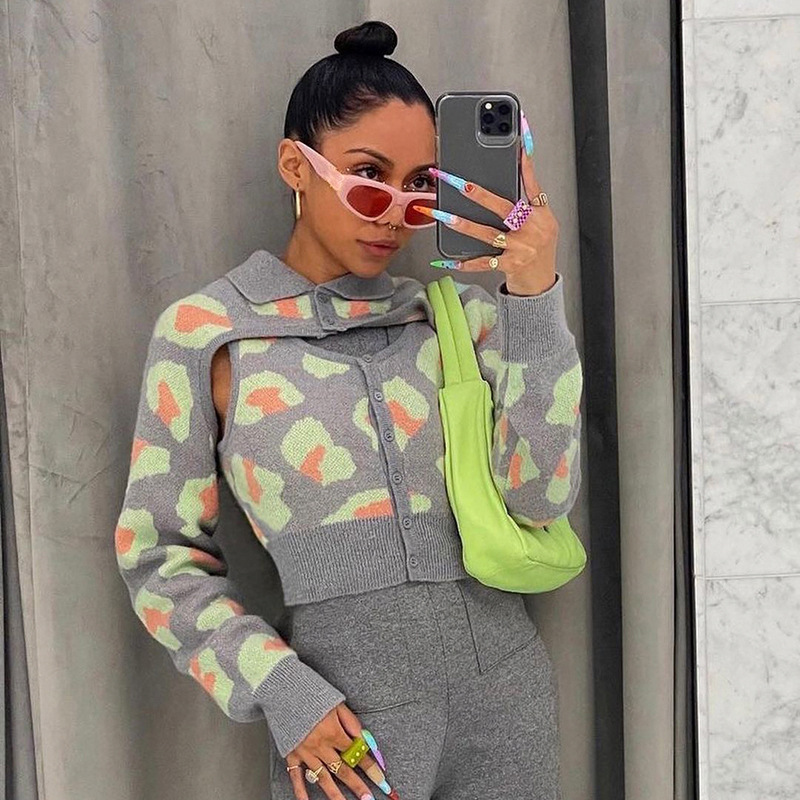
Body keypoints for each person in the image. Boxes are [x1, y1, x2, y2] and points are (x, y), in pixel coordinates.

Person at [114, 18, 582, 800]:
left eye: (419, 187)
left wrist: (533, 296)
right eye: (368, 177)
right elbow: (156, 554)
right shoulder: (208, 333)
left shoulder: (458, 319)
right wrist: (283, 691)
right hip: (344, 727)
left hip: (508, 703)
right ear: (296, 166)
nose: (392, 212)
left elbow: (540, 499)